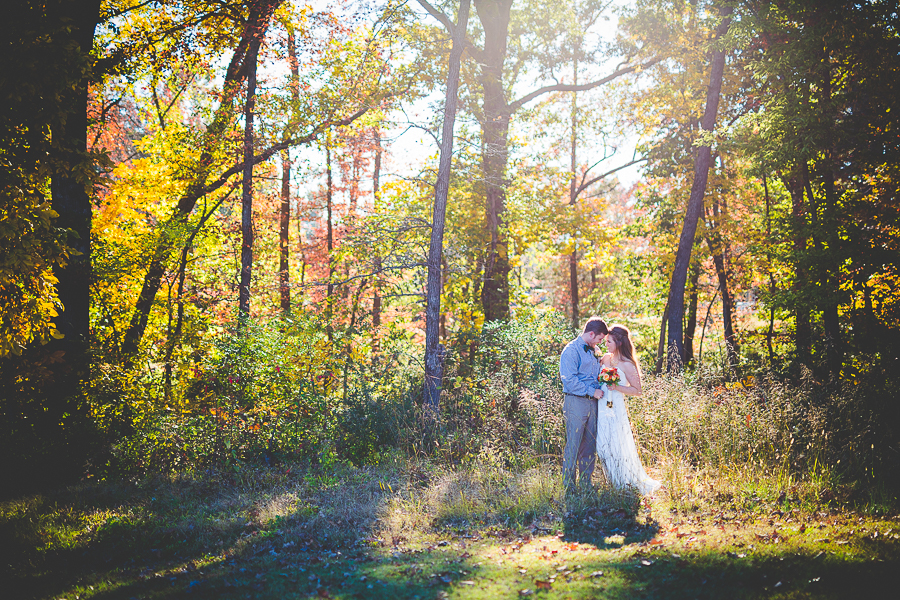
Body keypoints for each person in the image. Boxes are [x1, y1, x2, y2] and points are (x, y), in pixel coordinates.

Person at [596, 325, 661, 495]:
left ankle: (622, 481)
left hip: (616, 407)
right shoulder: (605, 358)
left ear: (618, 342)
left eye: (609, 341)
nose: (606, 344)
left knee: (617, 442)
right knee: (602, 444)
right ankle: (610, 480)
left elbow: (637, 391)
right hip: (601, 407)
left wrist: (616, 387)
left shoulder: (627, 365)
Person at [559, 317, 608, 493]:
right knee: (573, 443)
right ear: (591, 333)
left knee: (589, 443)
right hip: (576, 401)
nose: (600, 342)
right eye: (600, 338)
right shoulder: (571, 351)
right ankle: (569, 485)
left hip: (594, 403)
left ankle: (586, 483)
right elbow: (569, 380)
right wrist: (591, 391)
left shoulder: (596, 350)